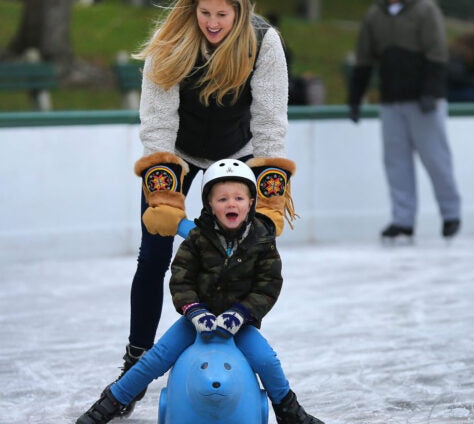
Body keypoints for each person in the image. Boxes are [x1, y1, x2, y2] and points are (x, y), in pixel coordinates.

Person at [117, 0, 297, 414]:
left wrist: (270, 191)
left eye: (222, 14)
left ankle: (235, 356)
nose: (212, 23)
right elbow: (158, 118)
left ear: (240, 11)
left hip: (240, 150)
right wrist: (163, 192)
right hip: (178, 150)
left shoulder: (262, 42)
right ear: (192, 7)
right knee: (153, 255)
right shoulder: (172, 37)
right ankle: (136, 358)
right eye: (205, 13)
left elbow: (271, 119)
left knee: (248, 257)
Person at [76, 159, 323, 424]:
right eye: (222, 199)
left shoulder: (262, 240)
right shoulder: (197, 238)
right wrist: (194, 310)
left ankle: (290, 413)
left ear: (251, 202)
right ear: (209, 205)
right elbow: (181, 278)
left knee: (267, 361)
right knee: (154, 359)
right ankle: (109, 404)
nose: (231, 204)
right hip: (195, 321)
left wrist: (241, 314)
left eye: (239, 197)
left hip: (239, 323)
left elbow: (268, 285)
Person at [347, 0, 462, 241]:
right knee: (396, 162)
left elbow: (437, 52)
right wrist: (355, 98)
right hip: (391, 101)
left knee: (435, 158)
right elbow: (364, 57)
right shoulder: (375, 15)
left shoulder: (425, 10)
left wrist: (431, 92)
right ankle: (403, 219)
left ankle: (451, 213)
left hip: (423, 102)